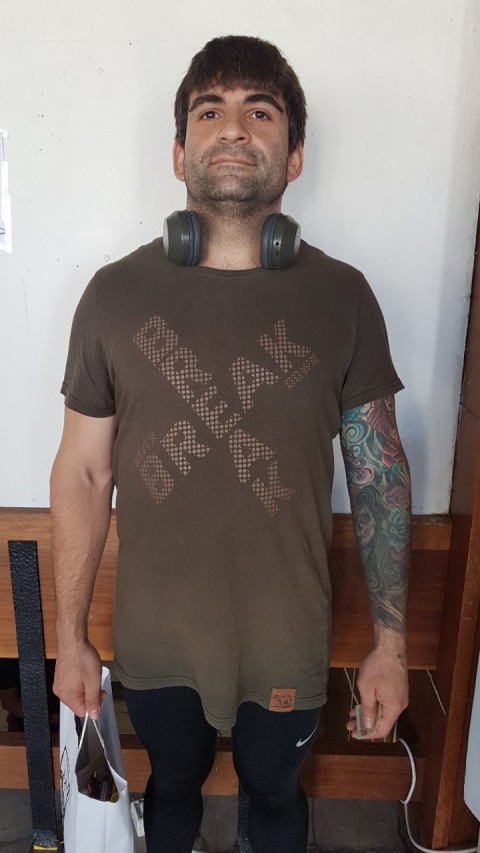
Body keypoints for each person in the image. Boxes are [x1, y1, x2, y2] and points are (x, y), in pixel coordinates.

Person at [51, 35, 410, 853]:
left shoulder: (343, 297)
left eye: (261, 111)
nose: (235, 127)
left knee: (275, 796)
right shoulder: (113, 295)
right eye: (210, 112)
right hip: (158, 635)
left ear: (296, 156)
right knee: (171, 785)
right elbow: (83, 472)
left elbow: (379, 473)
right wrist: (68, 638)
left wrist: (391, 645)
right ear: (180, 153)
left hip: (287, 633)